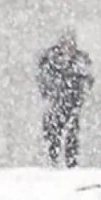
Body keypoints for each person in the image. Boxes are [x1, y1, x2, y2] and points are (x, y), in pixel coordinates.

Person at [36, 28, 94, 168]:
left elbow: (89, 79)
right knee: (53, 132)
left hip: (73, 103)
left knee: (72, 134)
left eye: (71, 42)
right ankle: (52, 161)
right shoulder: (51, 59)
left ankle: (71, 163)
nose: (68, 46)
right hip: (56, 102)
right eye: (66, 42)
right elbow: (43, 79)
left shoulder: (80, 60)